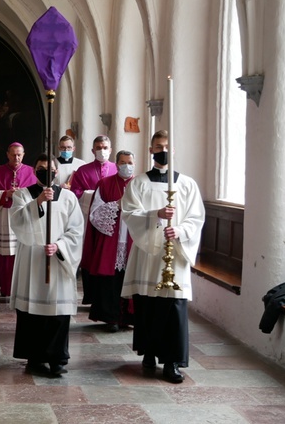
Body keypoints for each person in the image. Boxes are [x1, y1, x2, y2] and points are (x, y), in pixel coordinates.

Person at [120, 130, 205, 383]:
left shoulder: (187, 184)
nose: (163, 150)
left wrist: (179, 230)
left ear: (174, 150)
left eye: (167, 146)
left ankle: (172, 362)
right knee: (148, 305)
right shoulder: (139, 183)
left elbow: (197, 218)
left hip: (175, 253)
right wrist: (155, 214)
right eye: (158, 146)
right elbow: (129, 213)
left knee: (174, 307)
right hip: (148, 254)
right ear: (151, 150)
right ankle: (148, 352)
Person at [10, 153, 84, 376]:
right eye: (41, 168)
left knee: (57, 311)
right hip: (32, 260)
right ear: (34, 170)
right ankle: (34, 357)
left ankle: (57, 358)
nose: (47, 172)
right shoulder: (23, 195)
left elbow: (77, 230)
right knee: (32, 311)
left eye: (51, 169)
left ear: (57, 171)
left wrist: (60, 246)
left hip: (57, 260)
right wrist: (39, 202)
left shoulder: (69, 198)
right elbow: (17, 221)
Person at [82, 150, 136, 332]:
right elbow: (95, 213)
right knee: (111, 280)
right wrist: (117, 205)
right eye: (123, 162)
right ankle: (111, 317)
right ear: (117, 163)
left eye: (130, 162)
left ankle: (129, 317)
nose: (126, 166)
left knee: (130, 278)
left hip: (133, 239)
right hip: (111, 239)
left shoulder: (140, 185)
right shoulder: (104, 184)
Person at [0, 142, 38, 296]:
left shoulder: (31, 172)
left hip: (25, 218)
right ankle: (6, 287)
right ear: (7, 154)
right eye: (13, 154)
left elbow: (37, 194)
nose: (16, 158)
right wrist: (5, 194)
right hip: (4, 219)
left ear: (23, 154)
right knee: (3, 256)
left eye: (19, 154)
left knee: (23, 253)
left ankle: (22, 288)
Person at [69, 135, 117, 304]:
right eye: (98, 148)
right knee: (89, 254)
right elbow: (74, 193)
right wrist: (92, 195)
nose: (102, 151)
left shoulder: (117, 169)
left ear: (110, 150)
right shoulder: (83, 170)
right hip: (87, 221)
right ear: (92, 150)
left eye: (105, 147)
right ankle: (90, 295)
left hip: (112, 224)